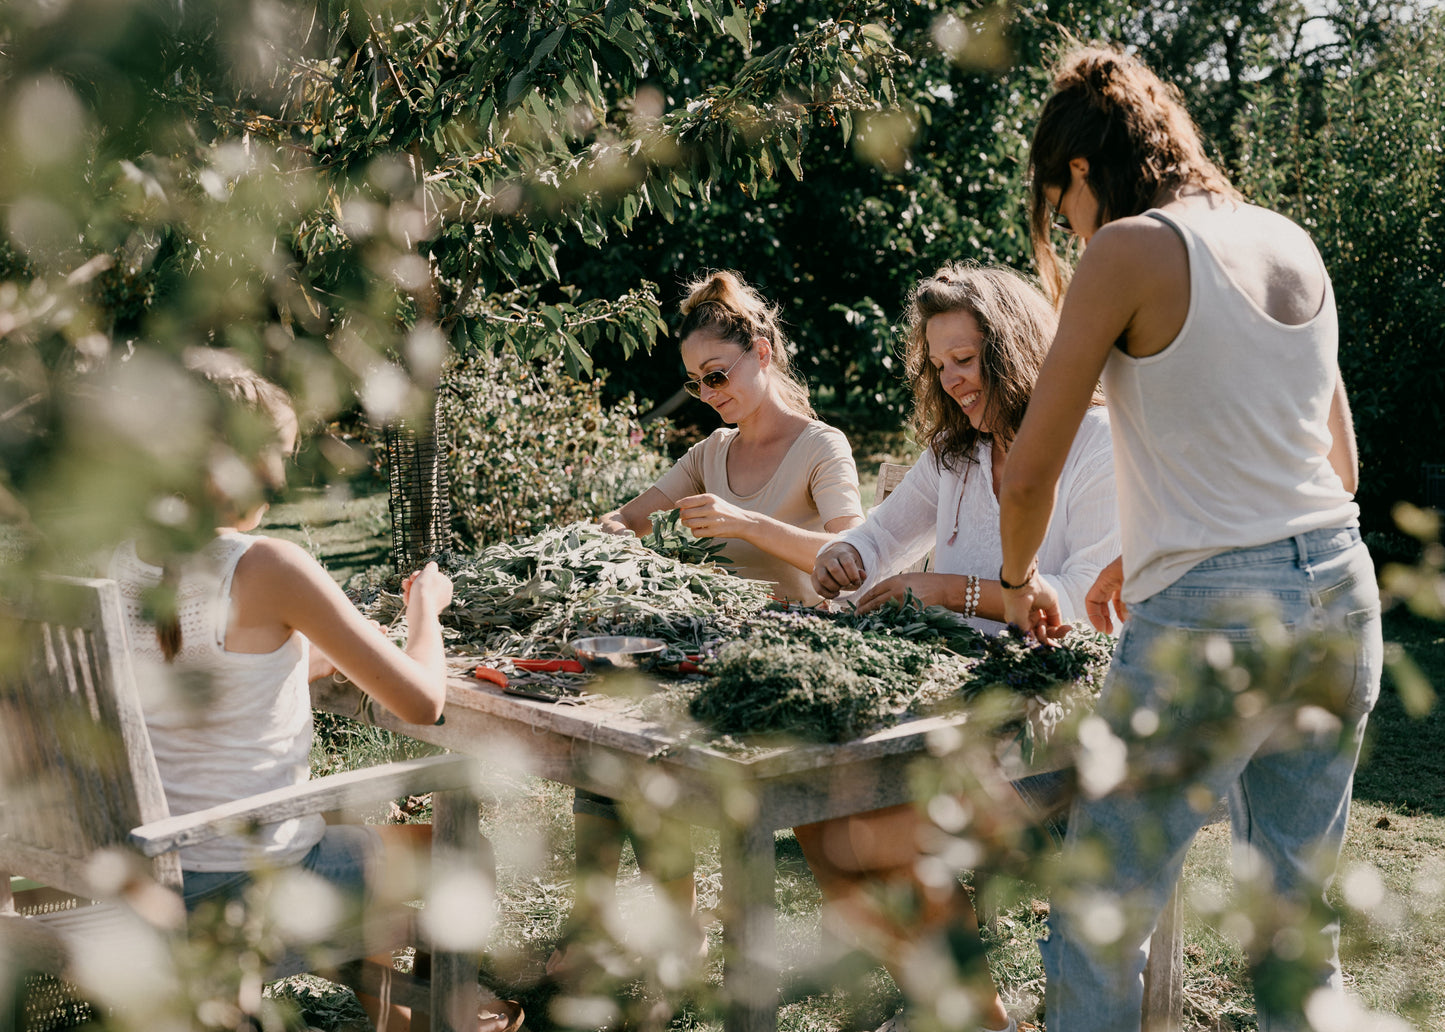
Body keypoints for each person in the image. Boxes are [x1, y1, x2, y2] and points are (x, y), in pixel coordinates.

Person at [996, 45, 1380, 1032]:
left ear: (1079, 171)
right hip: (1339, 594)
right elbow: (1335, 465)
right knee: (1294, 927)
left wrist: (1016, 576)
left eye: (1059, 205)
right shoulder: (1286, 239)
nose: (1069, 232)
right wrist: (1160, 539)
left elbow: (1028, 469)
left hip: (1213, 624)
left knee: (1095, 917)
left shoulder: (1127, 249)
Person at [108, 351, 520, 1032]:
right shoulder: (266, 564)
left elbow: (192, 687)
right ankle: (434, 1020)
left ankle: (395, 1018)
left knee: (348, 840)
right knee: (450, 850)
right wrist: (426, 611)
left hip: (144, 881)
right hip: (236, 896)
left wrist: (286, 667)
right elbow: (423, 701)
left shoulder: (122, 558)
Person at [799, 263, 1119, 1032]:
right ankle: (973, 1016)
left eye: (965, 361)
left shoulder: (1093, 444)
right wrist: (841, 559)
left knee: (895, 832)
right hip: (955, 709)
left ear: (1012, 349)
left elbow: (1079, 609)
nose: (952, 382)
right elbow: (877, 537)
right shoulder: (957, 455)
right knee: (815, 819)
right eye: (938, 366)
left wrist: (947, 589)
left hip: (1064, 724)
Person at [551, 270, 866, 983]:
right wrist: (608, 528)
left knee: (643, 741)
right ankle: (636, 921)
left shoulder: (822, 447)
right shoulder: (710, 455)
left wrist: (745, 522)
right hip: (707, 645)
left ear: (760, 351)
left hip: (792, 657)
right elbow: (633, 516)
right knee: (605, 735)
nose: (709, 393)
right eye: (695, 383)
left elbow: (855, 557)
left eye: (716, 374)